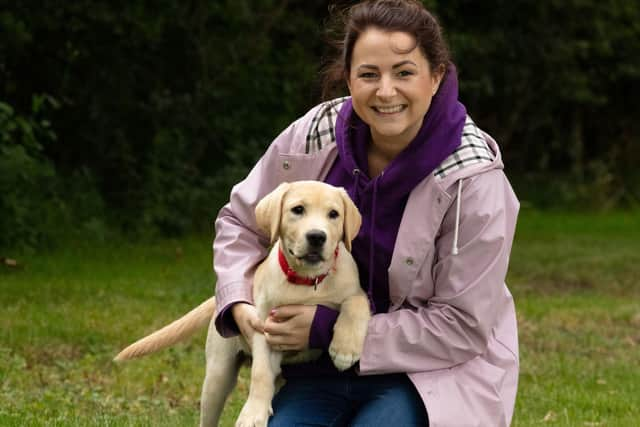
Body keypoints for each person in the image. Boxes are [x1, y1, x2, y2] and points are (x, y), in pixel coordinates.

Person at [212, 0, 520, 425]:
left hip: (424, 374)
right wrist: (239, 300)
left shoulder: (474, 177)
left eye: (405, 72)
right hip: (313, 368)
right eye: (369, 74)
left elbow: (462, 324)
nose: (386, 91)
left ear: (436, 77)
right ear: (349, 78)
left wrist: (327, 328)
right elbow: (240, 223)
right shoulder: (311, 135)